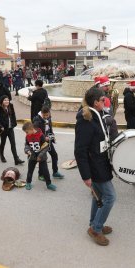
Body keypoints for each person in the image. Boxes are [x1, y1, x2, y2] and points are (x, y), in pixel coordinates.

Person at [75, 88, 117, 246]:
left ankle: (94, 223)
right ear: (95, 102)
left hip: (101, 163)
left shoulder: (95, 115)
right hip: (95, 166)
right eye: (102, 99)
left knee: (98, 196)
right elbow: (80, 150)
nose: (105, 101)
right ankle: (96, 229)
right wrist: (85, 175)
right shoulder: (85, 120)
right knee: (110, 197)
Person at [22, 122, 56, 191]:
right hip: (32, 156)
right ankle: (28, 182)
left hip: (42, 156)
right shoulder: (27, 136)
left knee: (45, 171)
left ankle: (49, 184)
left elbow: (46, 146)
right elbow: (27, 145)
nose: (26, 134)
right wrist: (27, 150)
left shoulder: (40, 135)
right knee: (30, 170)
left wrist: (40, 155)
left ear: (31, 129)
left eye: (26, 132)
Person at [33, 106, 65, 180]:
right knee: (42, 158)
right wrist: (44, 138)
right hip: (41, 143)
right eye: (45, 115)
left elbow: (50, 129)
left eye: (47, 115)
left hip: (48, 141)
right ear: (41, 113)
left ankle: (55, 172)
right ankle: (40, 175)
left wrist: (52, 137)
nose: (46, 117)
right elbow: (35, 133)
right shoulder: (37, 120)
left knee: (54, 155)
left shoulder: (49, 117)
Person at [0, 95, 24, 165]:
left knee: (13, 144)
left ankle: (16, 159)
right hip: (3, 130)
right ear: (2, 101)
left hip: (10, 128)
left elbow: (13, 116)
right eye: (5, 100)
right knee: (3, 143)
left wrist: (14, 124)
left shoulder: (11, 107)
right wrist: (0, 126)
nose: (7, 101)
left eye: (7, 100)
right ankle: (1, 155)